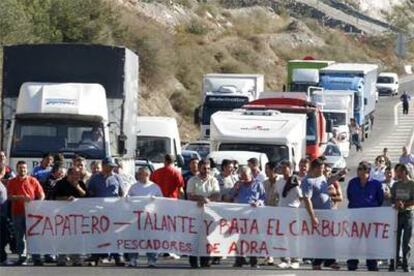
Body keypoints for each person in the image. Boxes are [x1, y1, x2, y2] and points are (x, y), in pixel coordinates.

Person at [301, 158, 343, 270]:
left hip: (327, 213)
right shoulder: (307, 181)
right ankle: (318, 261)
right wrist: (313, 216)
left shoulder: (321, 177)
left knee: (329, 238)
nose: (323, 170)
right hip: (317, 214)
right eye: (321, 168)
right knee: (320, 239)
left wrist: (340, 174)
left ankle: (329, 260)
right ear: (315, 168)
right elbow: (307, 199)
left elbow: (328, 181)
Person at [87, 157, 125, 266]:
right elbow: (90, 192)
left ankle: (118, 256)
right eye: (109, 166)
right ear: (103, 166)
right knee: (97, 233)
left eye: (113, 167)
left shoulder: (117, 178)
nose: (111, 169)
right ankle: (96, 256)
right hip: (98, 211)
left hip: (114, 210)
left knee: (115, 233)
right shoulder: (94, 178)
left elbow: (122, 193)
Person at [346, 161, 384, 271]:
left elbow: (380, 199)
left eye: (361, 169)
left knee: (371, 241)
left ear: (368, 171)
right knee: (354, 240)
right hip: (355, 215)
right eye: (358, 169)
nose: (359, 171)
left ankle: (372, 264)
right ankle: (352, 263)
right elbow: (349, 196)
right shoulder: (352, 182)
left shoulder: (376, 184)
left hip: (371, 216)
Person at [7, 161, 45, 266]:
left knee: (34, 236)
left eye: (24, 168)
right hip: (17, 212)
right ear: (17, 169)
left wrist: (39, 203)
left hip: (32, 213)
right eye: (20, 168)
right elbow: (9, 197)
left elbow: (41, 194)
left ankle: (36, 257)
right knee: (20, 236)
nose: (22, 170)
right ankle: (22, 257)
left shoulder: (33, 180)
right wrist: (21, 198)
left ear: (27, 169)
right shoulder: (12, 182)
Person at [228, 166, 265, 268]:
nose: (243, 178)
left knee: (253, 238)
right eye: (242, 176)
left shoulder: (258, 184)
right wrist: (236, 188)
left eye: (245, 176)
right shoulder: (238, 184)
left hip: (253, 215)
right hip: (240, 215)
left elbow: (263, 198)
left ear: (250, 175)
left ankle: (254, 261)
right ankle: (239, 260)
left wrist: (259, 202)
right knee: (239, 238)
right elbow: (230, 196)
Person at [186, 159, 220, 268]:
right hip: (194, 212)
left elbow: (217, 194)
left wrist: (207, 200)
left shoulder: (213, 180)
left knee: (207, 236)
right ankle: (193, 260)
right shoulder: (192, 180)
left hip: (209, 214)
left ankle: (206, 259)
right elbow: (190, 195)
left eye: (208, 168)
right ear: (199, 168)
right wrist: (200, 198)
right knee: (194, 236)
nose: (207, 170)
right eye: (204, 168)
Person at [127, 167, 162, 268]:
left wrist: (156, 200)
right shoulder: (133, 187)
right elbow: (127, 200)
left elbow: (162, 201)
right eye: (138, 173)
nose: (138, 175)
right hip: (135, 217)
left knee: (150, 239)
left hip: (150, 217)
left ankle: (152, 259)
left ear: (147, 174)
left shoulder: (155, 187)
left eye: (140, 173)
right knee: (134, 238)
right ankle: (133, 259)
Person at [53, 167, 87, 266]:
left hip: (77, 216)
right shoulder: (60, 184)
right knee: (63, 237)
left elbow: (87, 197)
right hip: (63, 216)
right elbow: (53, 197)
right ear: (69, 175)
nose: (77, 176)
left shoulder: (80, 183)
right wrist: (65, 199)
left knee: (76, 237)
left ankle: (76, 258)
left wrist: (78, 187)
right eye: (75, 174)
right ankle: (61, 258)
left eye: (78, 174)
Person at [276, 160, 302, 269]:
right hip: (281, 211)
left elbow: (301, 197)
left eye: (285, 167)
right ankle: (284, 259)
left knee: (293, 236)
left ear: (290, 169)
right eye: (282, 167)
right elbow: (278, 196)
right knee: (282, 236)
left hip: (293, 211)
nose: (283, 170)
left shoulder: (296, 181)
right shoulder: (279, 181)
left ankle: (295, 259)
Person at [390, 164, 413, 272]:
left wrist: (405, 204)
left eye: (398, 171)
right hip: (396, 215)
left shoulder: (412, 184)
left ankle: (405, 262)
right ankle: (394, 262)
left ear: (404, 172)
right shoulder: (395, 185)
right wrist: (396, 202)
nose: (396, 174)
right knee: (395, 239)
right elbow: (392, 198)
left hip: (408, 214)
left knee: (406, 240)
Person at [0, 181, 8, 265]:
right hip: (1, 215)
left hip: (3, 215)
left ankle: (3, 257)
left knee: (3, 237)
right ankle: (2, 258)